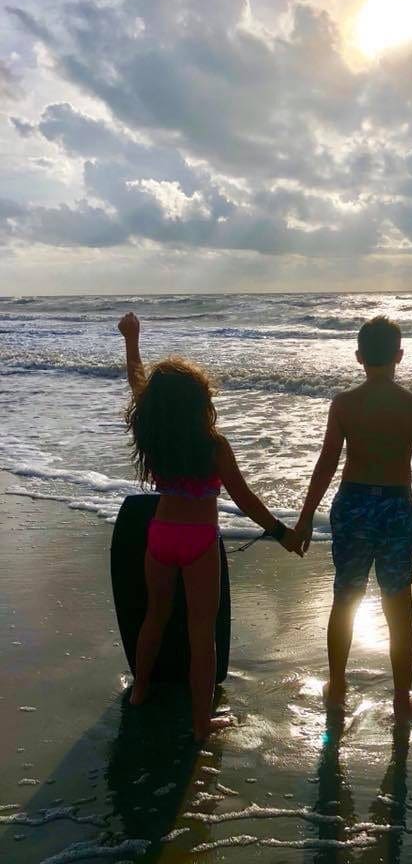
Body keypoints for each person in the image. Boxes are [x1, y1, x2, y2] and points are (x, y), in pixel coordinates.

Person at [118, 312, 303, 741]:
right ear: (201, 402)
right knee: (203, 635)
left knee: (155, 617)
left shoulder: (153, 433)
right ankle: (202, 725)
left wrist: (132, 339)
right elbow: (244, 499)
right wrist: (282, 533)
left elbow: (136, 382)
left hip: (160, 536)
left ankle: (140, 690)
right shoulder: (214, 445)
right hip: (199, 543)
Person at [295, 316, 412, 718]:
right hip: (397, 507)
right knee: (398, 605)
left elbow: (327, 463)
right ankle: (400, 698)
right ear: (399, 355)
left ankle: (339, 686)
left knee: (345, 596)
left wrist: (306, 514)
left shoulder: (345, 404)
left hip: (354, 504)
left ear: (359, 357)